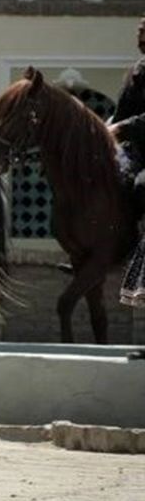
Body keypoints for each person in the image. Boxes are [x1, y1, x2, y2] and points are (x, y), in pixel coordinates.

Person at [111, 16, 145, 308]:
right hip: (134, 150)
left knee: (141, 184)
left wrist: (122, 129)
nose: (141, 36)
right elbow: (121, 113)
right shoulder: (136, 71)